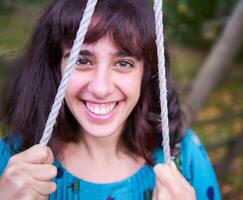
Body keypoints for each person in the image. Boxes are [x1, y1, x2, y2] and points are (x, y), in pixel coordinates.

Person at [0, 0, 221, 199]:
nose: (101, 88)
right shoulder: (12, 163)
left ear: (146, 74)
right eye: (82, 60)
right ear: (55, 67)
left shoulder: (185, 158)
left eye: (123, 63)